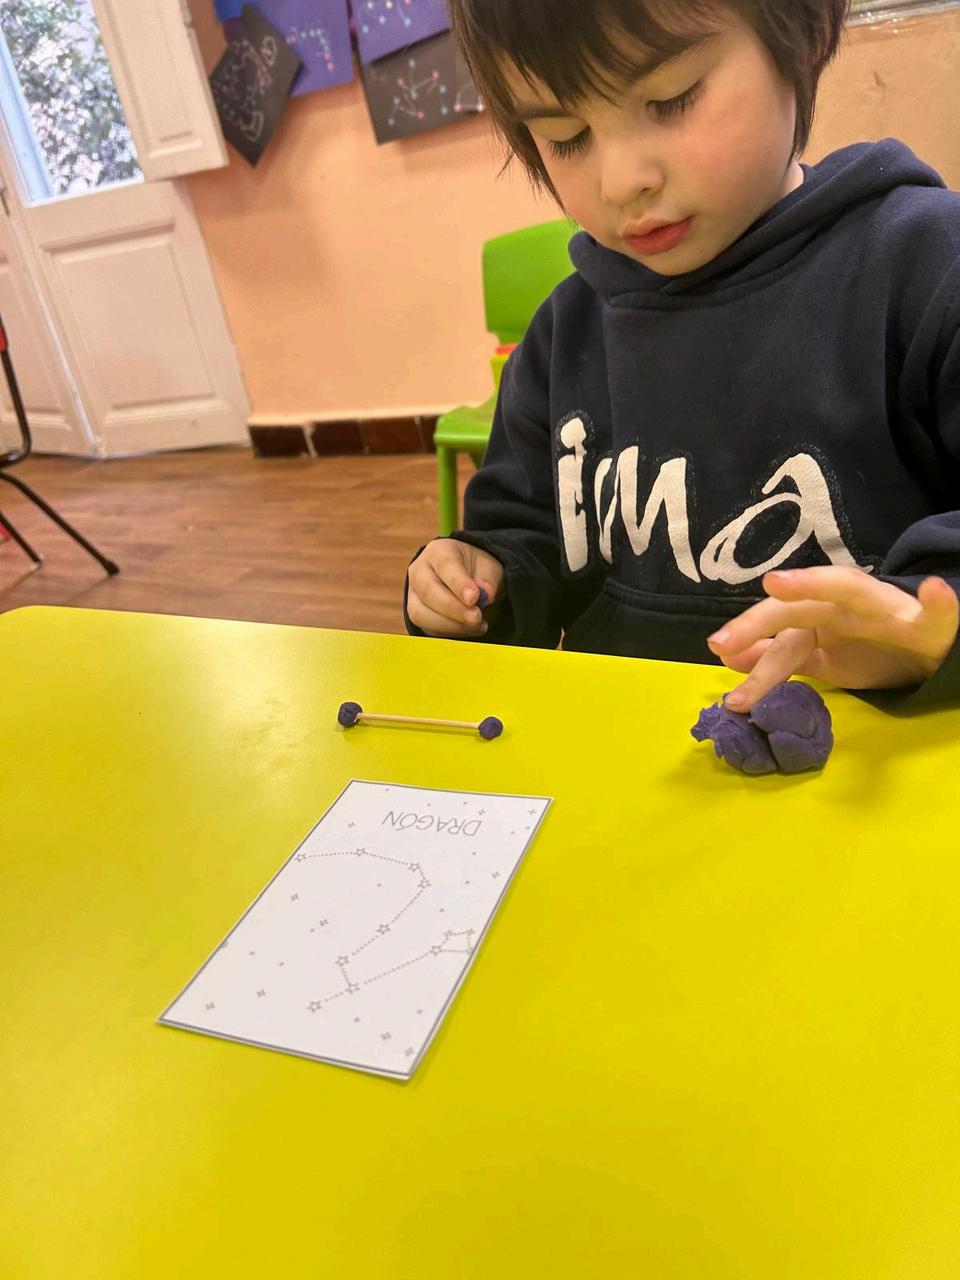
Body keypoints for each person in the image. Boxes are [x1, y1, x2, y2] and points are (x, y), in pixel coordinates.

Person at [404, 0, 960, 712]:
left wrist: (923, 635)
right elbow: (526, 540)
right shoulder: (562, 337)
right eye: (567, 137)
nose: (621, 181)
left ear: (808, 30)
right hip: (624, 750)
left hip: (875, 756)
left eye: (670, 100)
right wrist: (478, 581)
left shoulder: (926, 269)